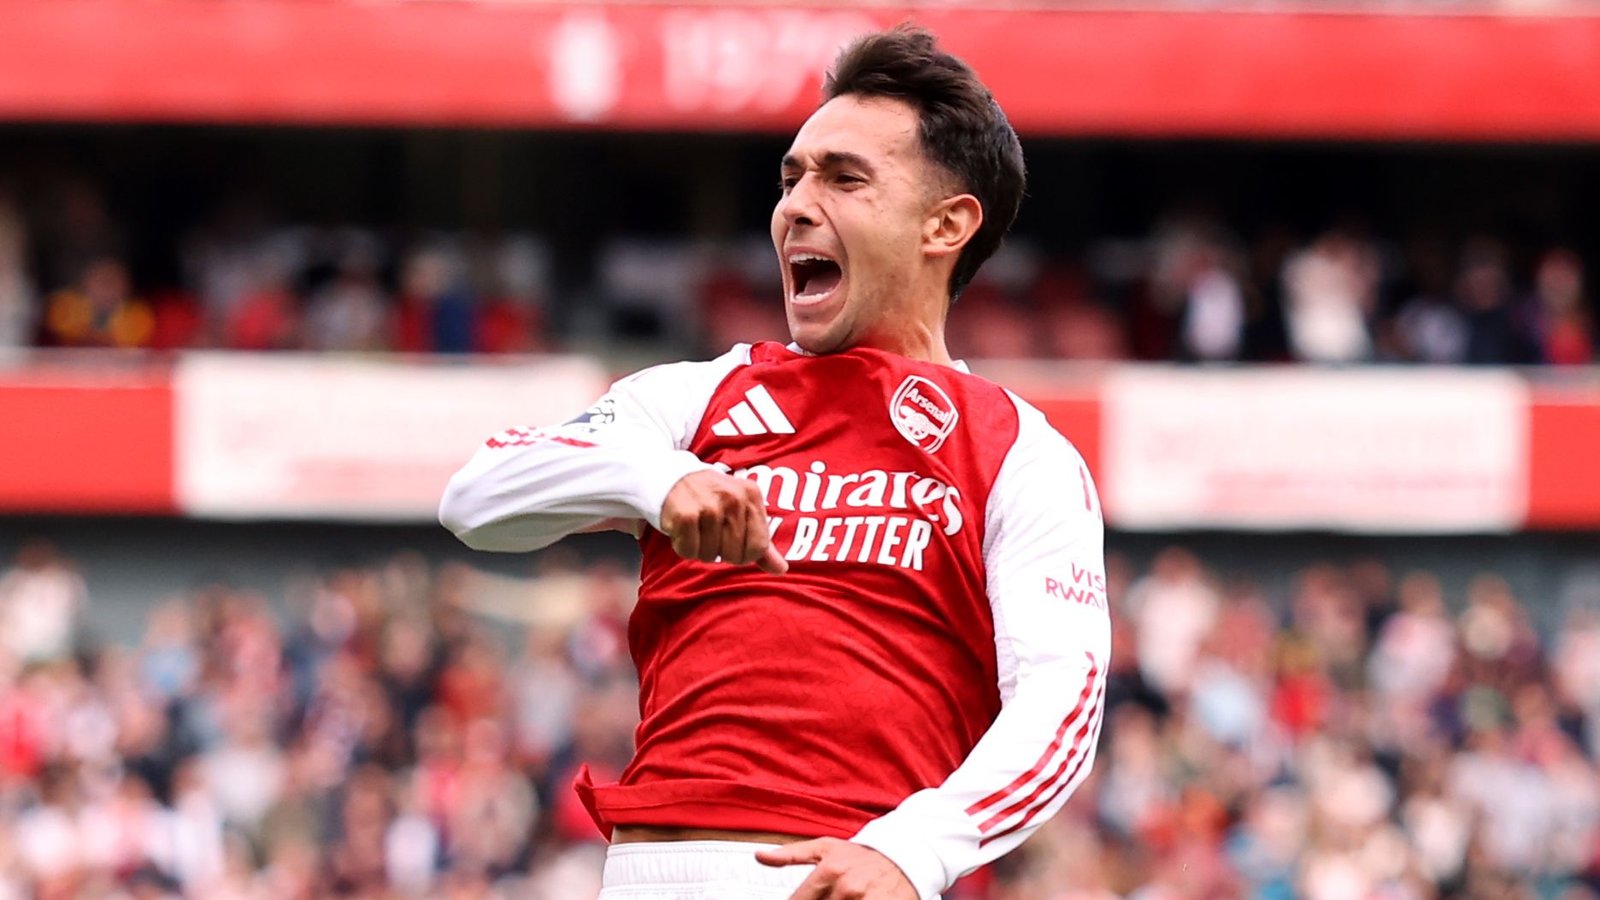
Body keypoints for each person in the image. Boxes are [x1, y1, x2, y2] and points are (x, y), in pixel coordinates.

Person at [439, 26, 1110, 900]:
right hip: (649, 874)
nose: (796, 205)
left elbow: (1063, 701)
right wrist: (657, 481)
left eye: (844, 177)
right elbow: (477, 495)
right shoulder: (698, 398)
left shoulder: (1018, 450)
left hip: (843, 877)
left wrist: (919, 847)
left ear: (946, 224)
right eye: (791, 177)